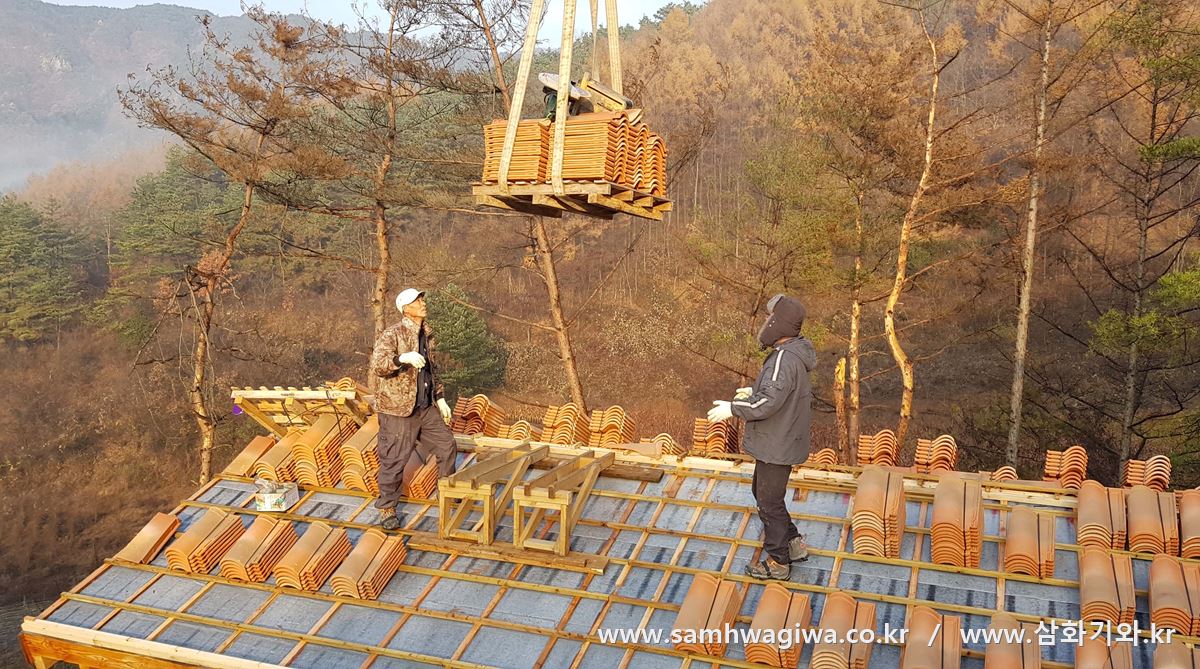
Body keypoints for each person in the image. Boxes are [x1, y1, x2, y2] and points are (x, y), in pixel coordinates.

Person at [708, 294, 816, 580]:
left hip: (776, 443)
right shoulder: (793, 353)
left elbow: (769, 402)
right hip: (781, 439)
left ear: (779, 324)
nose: (767, 322)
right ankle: (793, 543)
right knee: (765, 493)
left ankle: (779, 562)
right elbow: (776, 393)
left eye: (771, 318)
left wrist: (734, 408)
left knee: (768, 502)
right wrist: (752, 393)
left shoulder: (783, 358)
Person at [368, 288, 459, 530]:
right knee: (394, 460)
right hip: (397, 410)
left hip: (425, 408)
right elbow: (378, 365)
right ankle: (387, 508)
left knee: (447, 445)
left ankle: (446, 494)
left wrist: (440, 398)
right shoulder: (393, 334)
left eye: (421, 299)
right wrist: (401, 359)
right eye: (416, 300)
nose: (422, 302)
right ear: (405, 309)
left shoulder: (427, 335)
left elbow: (432, 370)